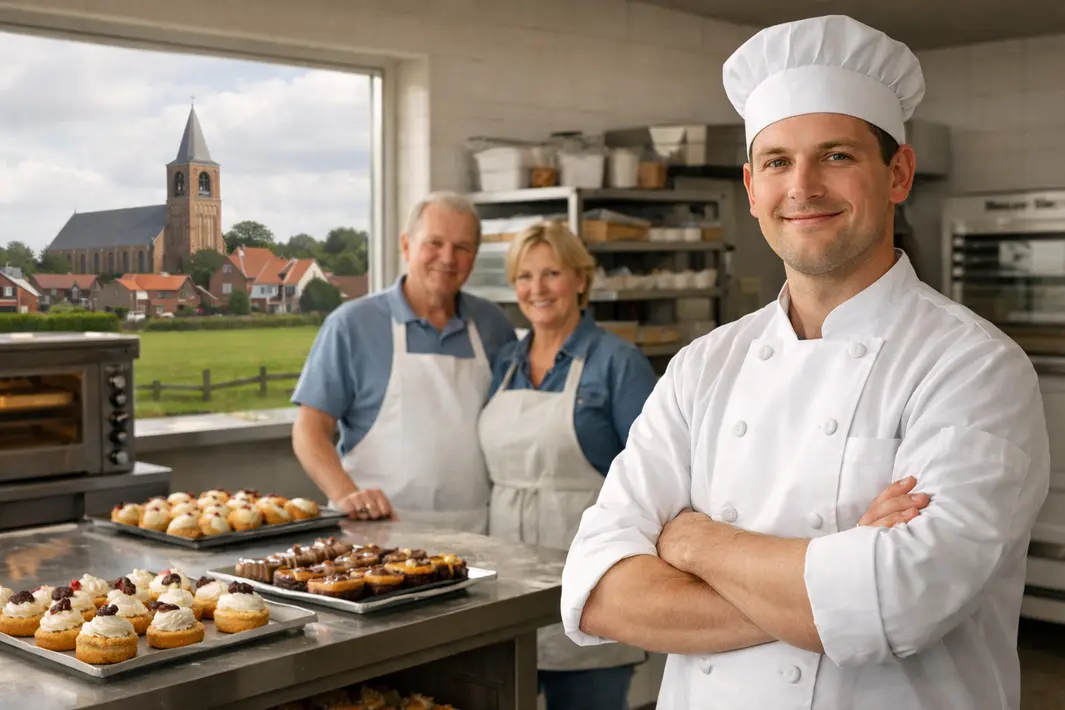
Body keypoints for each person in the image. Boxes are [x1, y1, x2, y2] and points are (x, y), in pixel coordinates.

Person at [560, 14, 1050, 710]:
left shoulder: (973, 367)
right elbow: (600, 592)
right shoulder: (702, 368)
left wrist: (694, 543)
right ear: (750, 185)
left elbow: (898, 604)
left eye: (836, 155)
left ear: (898, 174)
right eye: (776, 162)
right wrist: (838, 578)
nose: (803, 186)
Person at [478, 221, 657, 710]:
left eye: (551, 273)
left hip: (593, 580)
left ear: (580, 278)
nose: (536, 288)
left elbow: (657, 478)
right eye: (524, 276)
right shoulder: (506, 363)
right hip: (507, 581)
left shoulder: (617, 363)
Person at [291, 192, 517, 533]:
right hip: (376, 532)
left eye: (462, 247)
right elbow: (310, 430)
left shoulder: (493, 325)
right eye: (434, 243)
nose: (447, 258)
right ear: (406, 245)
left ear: (474, 256)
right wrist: (345, 494)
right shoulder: (353, 325)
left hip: (477, 530)